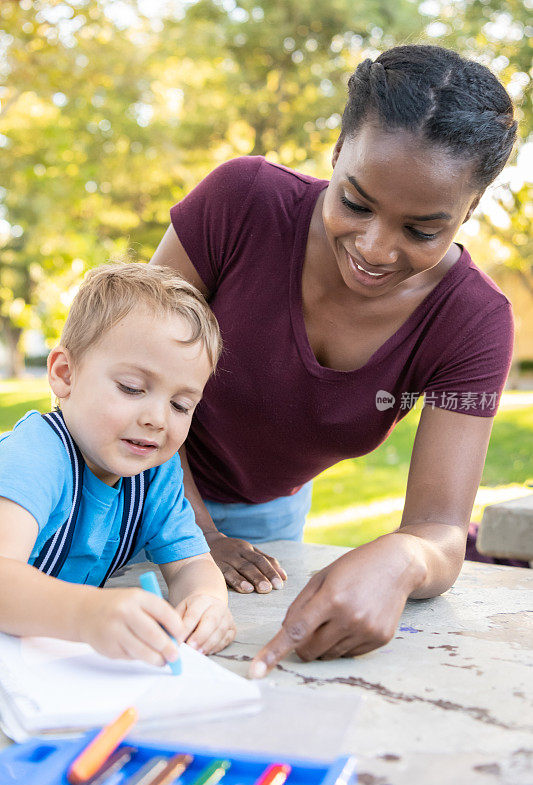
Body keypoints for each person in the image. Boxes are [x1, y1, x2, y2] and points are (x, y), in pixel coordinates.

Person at [150, 44, 517, 675]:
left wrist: (403, 558)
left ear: (469, 210)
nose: (375, 248)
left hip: (265, 514)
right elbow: (131, 378)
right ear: (337, 150)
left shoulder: (472, 322)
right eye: (356, 202)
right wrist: (196, 537)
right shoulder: (242, 204)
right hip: (117, 474)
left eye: (423, 230)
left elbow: (440, 530)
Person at [0, 262, 235, 666]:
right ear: (64, 374)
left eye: (181, 405)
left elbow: (190, 564)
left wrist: (207, 604)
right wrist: (88, 613)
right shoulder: (35, 456)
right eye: (132, 388)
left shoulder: (155, 476)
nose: (157, 419)